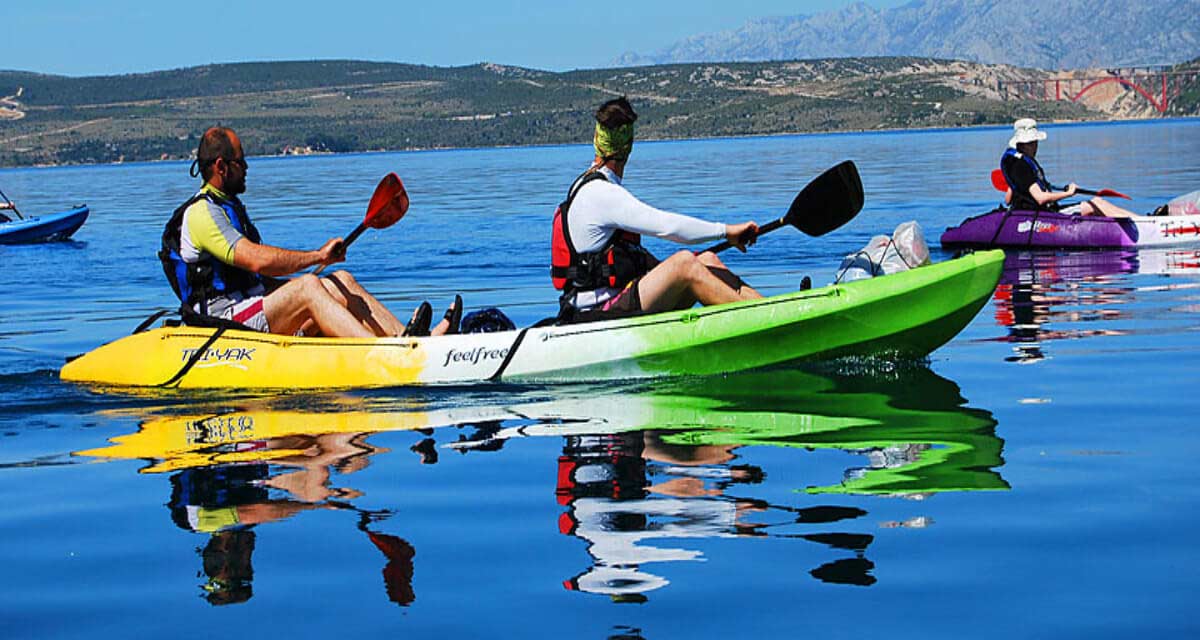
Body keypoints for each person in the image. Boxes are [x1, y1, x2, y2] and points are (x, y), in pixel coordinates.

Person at [161, 126, 459, 338]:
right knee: (308, 286)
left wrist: (319, 280)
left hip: (252, 306)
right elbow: (257, 261)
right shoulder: (202, 214)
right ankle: (385, 355)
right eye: (241, 161)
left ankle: (409, 340)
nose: (247, 167)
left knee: (340, 280)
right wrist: (317, 256)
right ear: (221, 167)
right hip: (221, 321)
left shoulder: (230, 207)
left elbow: (256, 278)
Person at [552, 97, 762, 323]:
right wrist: (726, 231)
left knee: (707, 259)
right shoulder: (600, 193)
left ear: (597, 140)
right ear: (629, 145)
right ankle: (759, 322)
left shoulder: (591, 186)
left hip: (621, 300)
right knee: (684, 264)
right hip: (596, 313)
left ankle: (768, 307)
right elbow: (668, 227)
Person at [1000, 118, 1136, 218]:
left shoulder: (1015, 163)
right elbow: (1040, 198)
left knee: (1098, 201)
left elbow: (1008, 200)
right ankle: (1140, 223)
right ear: (1022, 144)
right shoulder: (1021, 166)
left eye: (1035, 142)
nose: (1035, 146)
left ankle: (1138, 220)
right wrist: (1069, 193)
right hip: (1043, 216)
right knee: (1094, 204)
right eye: (1032, 143)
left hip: (1034, 212)